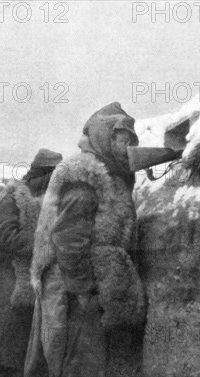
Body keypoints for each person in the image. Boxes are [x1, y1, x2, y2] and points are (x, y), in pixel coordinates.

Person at [25, 102, 147, 377]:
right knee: (74, 360)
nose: (125, 147)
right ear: (104, 138)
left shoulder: (109, 175)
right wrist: (82, 290)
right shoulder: (85, 178)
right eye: (120, 140)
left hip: (82, 285)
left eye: (129, 141)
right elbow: (68, 239)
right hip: (70, 286)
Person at [0, 149, 63, 377]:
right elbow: (5, 236)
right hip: (4, 286)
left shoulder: (42, 203)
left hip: (22, 287)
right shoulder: (12, 198)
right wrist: (44, 243)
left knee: (15, 356)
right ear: (41, 176)